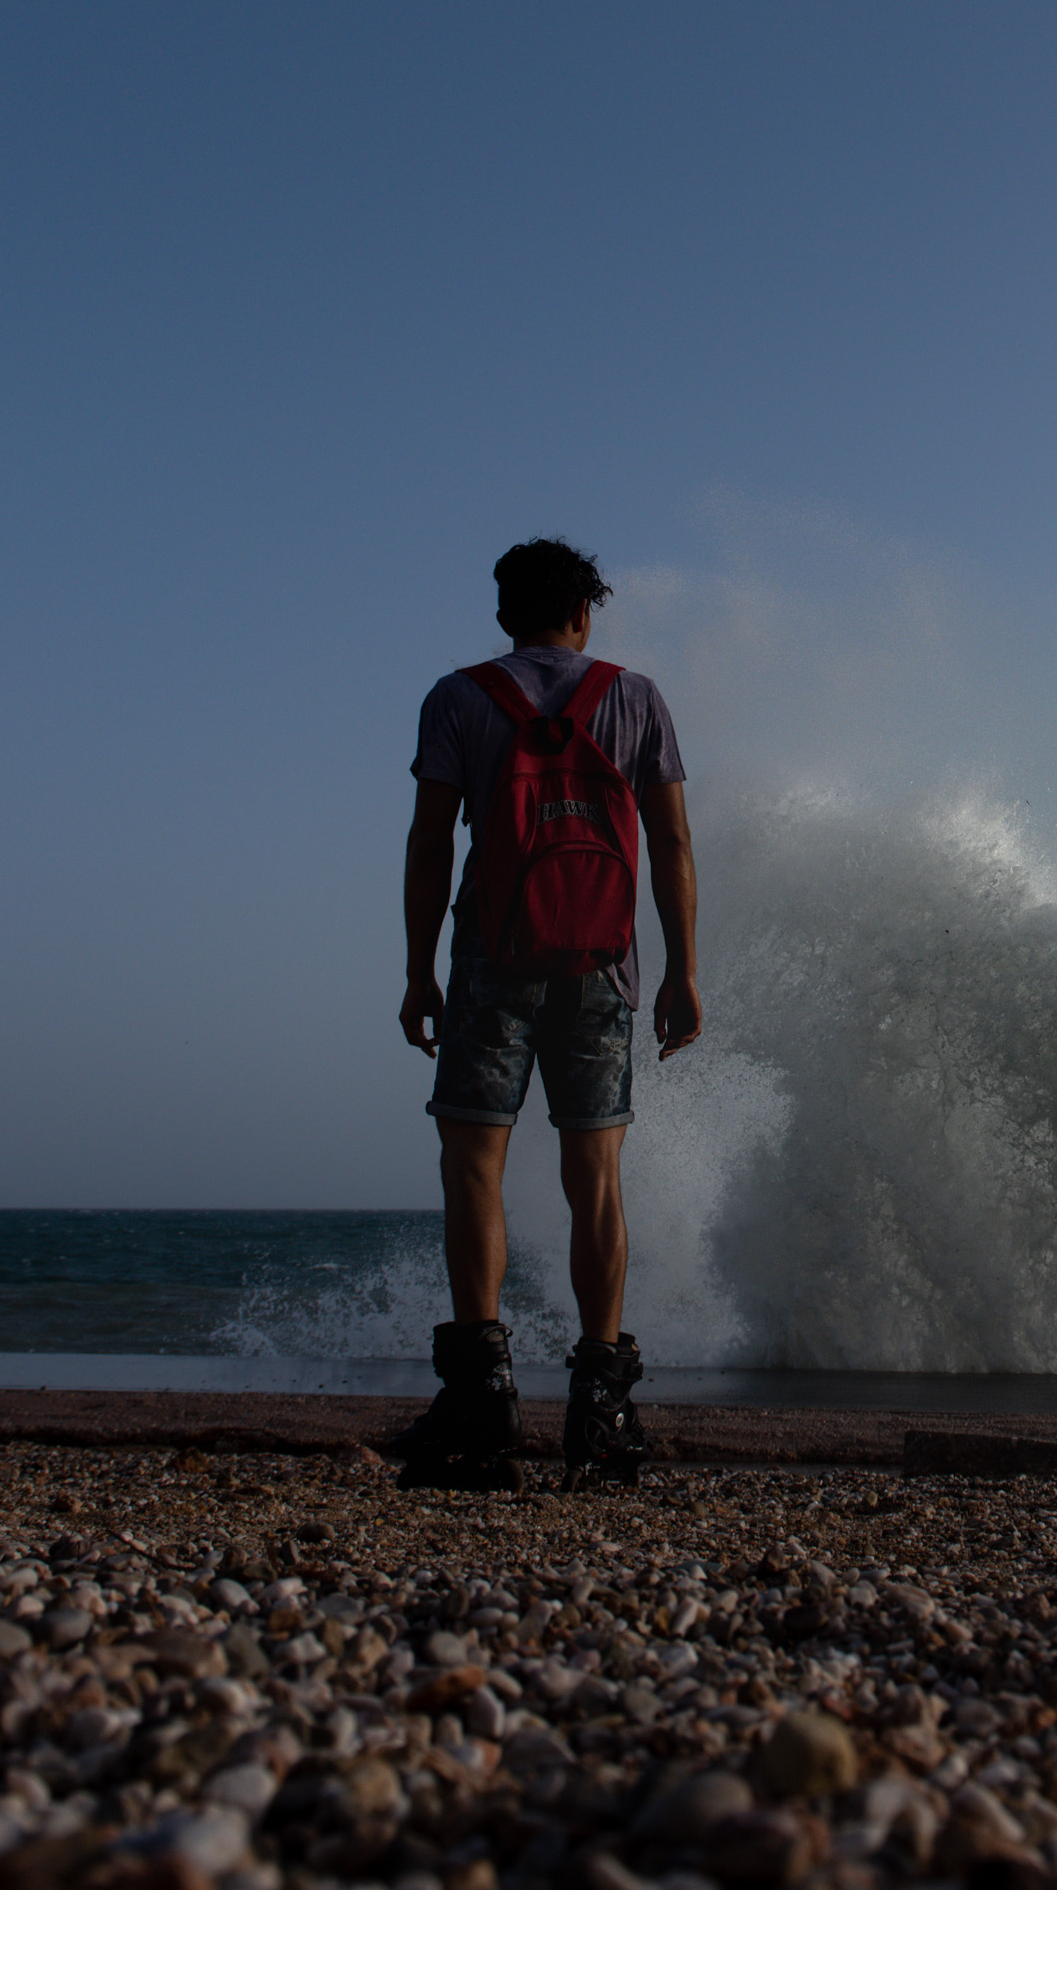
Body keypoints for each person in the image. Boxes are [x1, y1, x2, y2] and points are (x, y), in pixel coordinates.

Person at [400, 540, 698, 1485]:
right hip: (604, 962)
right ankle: (601, 1407)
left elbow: (430, 844)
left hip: (493, 951)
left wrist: (418, 971)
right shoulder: (636, 696)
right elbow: (673, 842)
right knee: (596, 1173)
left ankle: (482, 1401)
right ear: (585, 612)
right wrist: (684, 970)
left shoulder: (458, 697)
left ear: (503, 616)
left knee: (472, 1163)